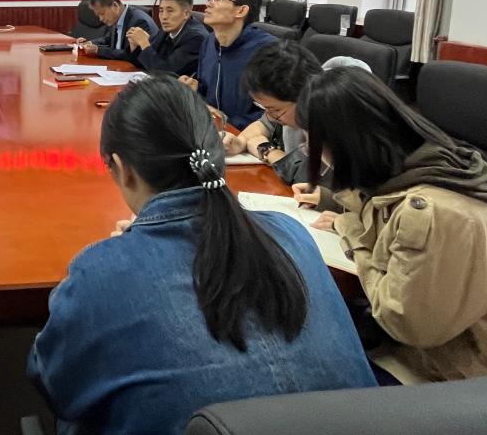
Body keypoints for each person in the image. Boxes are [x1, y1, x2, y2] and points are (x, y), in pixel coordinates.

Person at [27, 74, 375, 435]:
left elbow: (52, 381)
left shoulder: (101, 272)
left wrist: (119, 260)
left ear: (122, 168)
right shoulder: (291, 233)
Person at [296, 66, 487, 382]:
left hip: (445, 373)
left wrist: (354, 236)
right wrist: (337, 206)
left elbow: (403, 322)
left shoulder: (434, 212)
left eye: (310, 142)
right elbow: (381, 210)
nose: (311, 152)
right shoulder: (417, 164)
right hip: (421, 348)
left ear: (344, 142)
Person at [222, 41, 323, 186]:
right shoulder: (286, 103)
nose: (271, 116)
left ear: (305, 97)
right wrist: (240, 142)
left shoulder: (333, 116)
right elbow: (264, 124)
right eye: (263, 107)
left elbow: (314, 179)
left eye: (275, 110)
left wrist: (268, 151)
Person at [181, 0, 275, 129]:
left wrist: (228, 122)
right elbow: (207, 89)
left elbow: (274, 111)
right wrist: (195, 88)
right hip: (209, 128)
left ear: (241, 11)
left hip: (243, 134)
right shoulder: (209, 42)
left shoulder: (268, 51)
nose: (209, 4)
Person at [125, 0, 208, 76]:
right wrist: (135, 45)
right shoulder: (166, 29)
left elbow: (166, 71)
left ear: (186, 14)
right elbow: (148, 61)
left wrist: (144, 43)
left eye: (170, 11)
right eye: (161, 11)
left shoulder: (195, 37)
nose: (164, 17)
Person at [76, 0, 156, 65]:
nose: (101, 19)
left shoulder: (138, 22)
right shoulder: (117, 18)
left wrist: (98, 50)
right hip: (118, 67)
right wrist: (90, 43)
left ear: (115, 6)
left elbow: (129, 55)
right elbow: (108, 39)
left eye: (102, 14)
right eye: (98, 15)